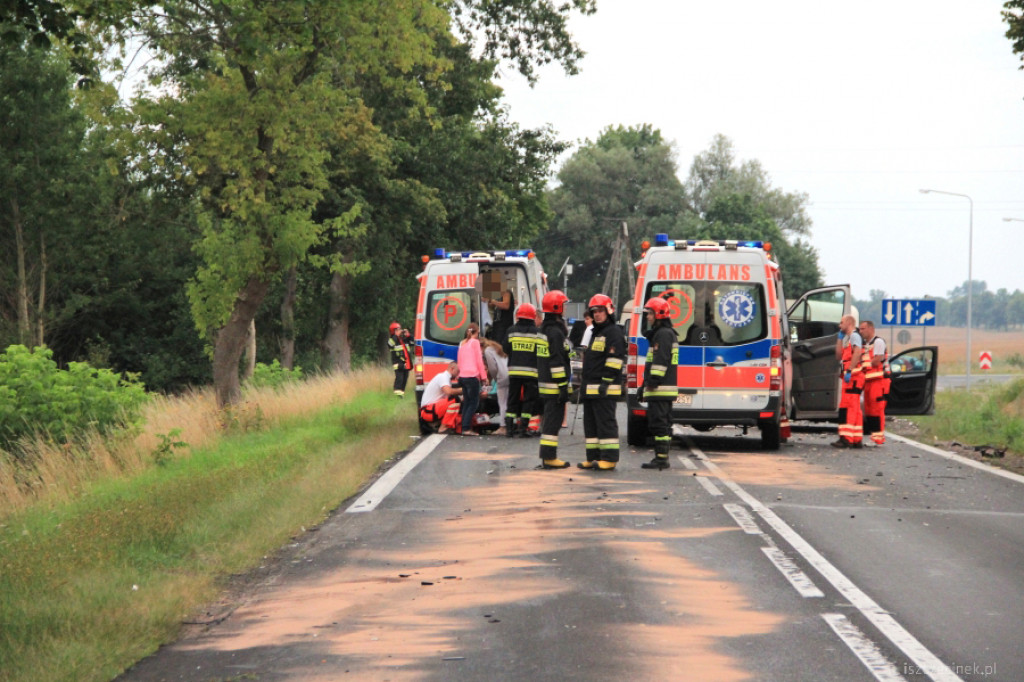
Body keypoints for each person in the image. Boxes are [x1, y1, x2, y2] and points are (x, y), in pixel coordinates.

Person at [578, 294, 626, 471]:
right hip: (591, 389)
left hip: (605, 388)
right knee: (590, 426)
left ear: (608, 311)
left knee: (606, 424)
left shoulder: (613, 332)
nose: (597, 315)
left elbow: (614, 360)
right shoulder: (595, 333)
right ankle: (593, 458)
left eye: (600, 311)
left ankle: (609, 458)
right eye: (594, 311)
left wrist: (605, 382)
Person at [639, 295, 679, 469]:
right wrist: (643, 384)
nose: (647, 317)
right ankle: (661, 456)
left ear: (659, 314)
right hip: (660, 388)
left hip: (660, 388)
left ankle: (661, 458)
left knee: (659, 423)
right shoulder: (665, 334)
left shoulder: (663, 335)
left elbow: (660, 361)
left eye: (650, 313)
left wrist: (652, 381)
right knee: (662, 423)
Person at [537, 290, 572, 469]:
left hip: (545, 383)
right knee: (553, 422)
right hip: (554, 385)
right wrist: (563, 385)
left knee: (549, 421)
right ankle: (550, 458)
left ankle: (547, 457)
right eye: (563, 305)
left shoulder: (544, 330)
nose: (565, 308)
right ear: (557, 308)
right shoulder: (556, 333)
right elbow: (557, 361)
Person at [502, 302, 541, 438]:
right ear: (533, 317)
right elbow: (541, 352)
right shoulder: (537, 333)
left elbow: (505, 348)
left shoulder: (511, 330)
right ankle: (523, 429)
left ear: (518, 316)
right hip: (531, 373)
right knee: (528, 401)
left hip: (514, 372)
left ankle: (510, 429)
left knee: (512, 399)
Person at [833, 314, 864, 448]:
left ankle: (846, 438)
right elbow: (838, 356)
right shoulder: (847, 339)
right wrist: (839, 340)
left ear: (849, 323)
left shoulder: (854, 336)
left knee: (848, 408)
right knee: (854, 408)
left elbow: (857, 352)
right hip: (851, 378)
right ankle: (856, 438)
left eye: (841, 323)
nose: (840, 326)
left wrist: (850, 370)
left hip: (853, 377)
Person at [859, 320, 890, 445]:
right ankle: (874, 436)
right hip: (869, 381)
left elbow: (877, 361)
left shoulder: (878, 342)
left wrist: (862, 365)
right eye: (860, 329)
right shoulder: (866, 344)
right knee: (869, 410)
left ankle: (878, 438)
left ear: (871, 329)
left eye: (863, 329)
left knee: (877, 410)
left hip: (879, 381)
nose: (861, 332)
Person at [457, 323, 487, 437]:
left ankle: (463, 427)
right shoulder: (475, 343)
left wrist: (459, 374)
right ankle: (466, 428)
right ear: (477, 331)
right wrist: (484, 377)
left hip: (463, 377)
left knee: (466, 403)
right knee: (473, 403)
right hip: (472, 376)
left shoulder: (462, 343)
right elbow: (479, 361)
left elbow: (459, 361)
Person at [419, 362, 462, 433]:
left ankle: (441, 424)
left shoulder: (445, 378)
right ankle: (443, 428)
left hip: (430, 410)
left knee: (455, 400)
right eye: (458, 372)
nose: (458, 374)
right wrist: (462, 390)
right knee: (455, 400)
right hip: (428, 411)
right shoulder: (443, 377)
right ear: (452, 369)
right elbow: (449, 392)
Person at [481, 338, 510, 435]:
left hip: (501, 377)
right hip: (510, 374)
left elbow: (492, 368)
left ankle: (503, 427)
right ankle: (509, 425)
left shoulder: (487, 351)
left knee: (502, 403)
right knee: (509, 401)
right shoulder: (497, 348)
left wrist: (495, 378)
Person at [388, 322, 413, 397]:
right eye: (398, 330)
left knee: (405, 380)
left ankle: (401, 395)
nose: (400, 331)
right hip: (398, 364)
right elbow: (390, 344)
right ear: (394, 331)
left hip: (406, 363)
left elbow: (412, 343)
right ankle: (397, 396)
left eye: (400, 329)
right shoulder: (392, 339)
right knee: (400, 379)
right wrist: (396, 335)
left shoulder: (404, 339)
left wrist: (409, 335)